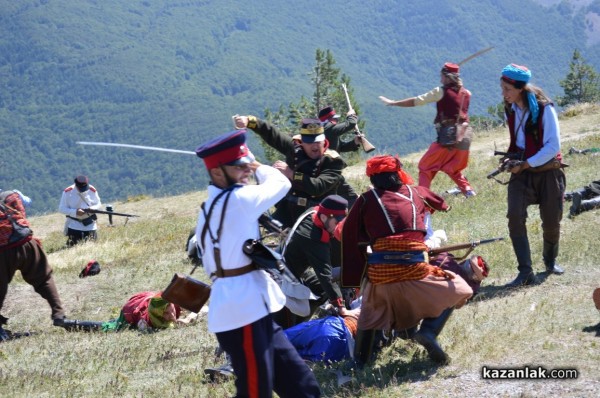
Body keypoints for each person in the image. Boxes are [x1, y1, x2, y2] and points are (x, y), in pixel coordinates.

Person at [195, 129, 321, 397]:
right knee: (255, 393)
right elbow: (282, 184)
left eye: (246, 165)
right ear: (218, 173)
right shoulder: (239, 199)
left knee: (302, 386)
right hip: (243, 312)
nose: (246, 172)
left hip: (250, 306)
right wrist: (259, 164)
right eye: (239, 167)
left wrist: (245, 163)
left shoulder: (211, 204)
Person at [340, 155, 473, 365]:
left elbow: (347, 234)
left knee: (369, 313)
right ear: (397, 174)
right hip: (416, 269)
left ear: (373, 179)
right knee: (460, 289)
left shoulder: (365, 199)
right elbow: (441, 204)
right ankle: (428, 332)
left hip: (381, 276)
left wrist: (353, 278)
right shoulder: (417, 192)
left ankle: (359, 362)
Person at [499, 64, 567, 287]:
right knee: (514, 216)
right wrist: (512, 159)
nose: (504, 93)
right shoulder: (510, 109)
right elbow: (519, 142)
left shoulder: (545, 109)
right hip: (522, 172)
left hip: (548, 172)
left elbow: (552, 146)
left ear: (520, 88)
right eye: (502, 88)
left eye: (507, 89)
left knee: (551, 220)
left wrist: (526, 163)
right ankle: (526, 272)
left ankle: (550, 260)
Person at [379, 62, 476, 197]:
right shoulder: (467, 93)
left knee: (425, 166)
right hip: (466, 136)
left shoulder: (440, 91)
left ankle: (422, 197)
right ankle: (469, 191)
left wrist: (394, 103)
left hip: (449, 136)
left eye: (441, 75)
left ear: (446, 77)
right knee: (452, 168)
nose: (440, 78)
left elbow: (416, 101)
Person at [234, 115, 346, 229]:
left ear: (323, 140)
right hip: (287, 210)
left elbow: (318, 187)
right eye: (309, 142)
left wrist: (291, 174)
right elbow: (272, 135)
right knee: (257, 228)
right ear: (302, 142)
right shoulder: (295, 149)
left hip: (314, 215)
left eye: (318, 141)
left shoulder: (333, 161)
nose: (315, 145)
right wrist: (250, 121)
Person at [0, 189, 68, 341]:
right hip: (26, 243)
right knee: (43, 278)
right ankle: (59, 314)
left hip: (2, 251)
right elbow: (27, 202)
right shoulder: (12, 194)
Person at [274, 195, 349, 328]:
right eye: (337, 222)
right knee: (284, 331)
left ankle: (300, 320)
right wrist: (341, 307)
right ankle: (297, 324)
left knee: (321, 288)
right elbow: (325, 276)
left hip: (286, 267)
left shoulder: (313, 212)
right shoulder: (313, 238)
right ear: (325, 217)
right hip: (281, 280)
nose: (338, 227)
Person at [318, 105, 361, 207]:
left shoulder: (328, 130)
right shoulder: (328, 128)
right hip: (329, 172)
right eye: (335, 118)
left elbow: (340, 147)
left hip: (328, 171)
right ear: (329, 119)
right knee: (351, 197)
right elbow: (350, 124)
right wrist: (351, 116)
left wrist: (355, 142)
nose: (337, 120)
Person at [58, 175, 102, 246]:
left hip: (90, 225)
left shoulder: (92, 190)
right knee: (72, 249)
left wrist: (93, 208)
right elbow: (62, 208)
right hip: (74, 225)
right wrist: (75, 212)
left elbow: (98, 204)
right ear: (76, 185)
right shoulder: (67, 192)